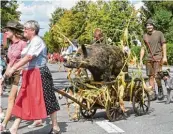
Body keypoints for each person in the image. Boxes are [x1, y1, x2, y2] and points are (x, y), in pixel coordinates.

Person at [2, 20, 60, 134]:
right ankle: (14, 128)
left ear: (32, 30)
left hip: (40, 72)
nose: (23, 30)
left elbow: (28, 57)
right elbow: (23, 60)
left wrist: (14, 68)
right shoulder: (29, 42)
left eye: (26, 29)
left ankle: (56, 126)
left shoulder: (37, 41)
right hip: (29, 73)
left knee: (48, 99)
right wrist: (15, 69)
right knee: (22, 98)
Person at [0, 21, 27, 131]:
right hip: (12, 73)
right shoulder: (11, 45)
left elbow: (28, 60)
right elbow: (11, 61)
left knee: (13, 99)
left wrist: (17, 69)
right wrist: (3, 77)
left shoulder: (23, 44)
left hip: (21, 73)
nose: (5, 32)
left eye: (7, 30)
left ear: (14, 31)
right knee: (14, 99)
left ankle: (4, 124)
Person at [140, 18, 167, 101]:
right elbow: (143, 48)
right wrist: (140, 60)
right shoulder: (144, 36)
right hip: (148, 59)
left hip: (158, 57)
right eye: (147, 25)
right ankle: (152, 92)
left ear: (153, 25)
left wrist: (165, 56)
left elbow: (164, 45)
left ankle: (160, 89)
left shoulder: (159, 33)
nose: (149, 26)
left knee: (157, 76)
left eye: (150, 25)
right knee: (150, 76)